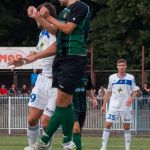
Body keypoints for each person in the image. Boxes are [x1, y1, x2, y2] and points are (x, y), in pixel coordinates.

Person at [27, 0, 91, 149]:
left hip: (73, 57)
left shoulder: (80, 7)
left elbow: (67, 29)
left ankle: (45, 140)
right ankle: (67, 142)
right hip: (63, 62)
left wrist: (47, 17)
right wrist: (38, 17)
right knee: (65, 104)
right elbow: (58, 31)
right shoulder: (64, 11)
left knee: (60, 106)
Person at [8, 2, 57, 150]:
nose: (39, 17)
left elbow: (54, 48)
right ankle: (32, 147)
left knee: (46, 123)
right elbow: (35, 52)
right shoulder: (43, 33)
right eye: (39, 13)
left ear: (50, 17)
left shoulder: (56, 31)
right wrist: (22, 61)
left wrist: (33, 58)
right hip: (43, 80)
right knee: (31, 119)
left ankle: (45, 148)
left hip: (57, 83)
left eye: (42, 14)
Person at [100, 59, 139, 150]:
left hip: (126, 107)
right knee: (108, 124)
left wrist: (131, 99)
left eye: (123, 65)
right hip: (114, 106)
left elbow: (135, 91)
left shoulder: (130, 77)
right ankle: (103, 147)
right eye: (120, 65)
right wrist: (103, 105)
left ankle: (127, 148)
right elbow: (109, 92)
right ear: (117, 66)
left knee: (126, 127)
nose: (121, 67)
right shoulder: (112, 77)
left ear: (126, 66)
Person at [72, 72, 97, 150]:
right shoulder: (69, 72)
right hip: (71, 105)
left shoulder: (86, 75)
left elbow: (89, 89)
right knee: (76, 128)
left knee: (79, 131)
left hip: (82, 106)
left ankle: (71, 145)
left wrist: (93, 99)